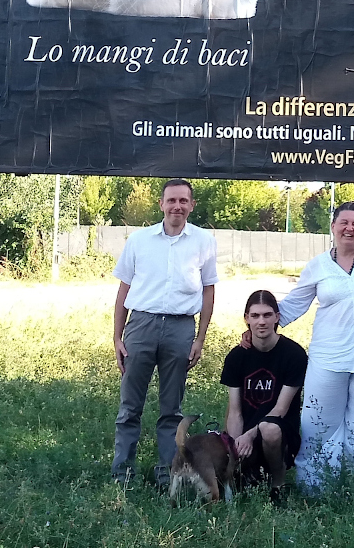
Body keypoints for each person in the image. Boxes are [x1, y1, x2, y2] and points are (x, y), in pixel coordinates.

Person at [111, 179, 218, 487]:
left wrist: (200, 339)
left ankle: (167, 474)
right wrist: (117, 337)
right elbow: (123, 290)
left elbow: (209, 291)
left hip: (180, 329)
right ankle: (122, 473)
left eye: (183, 201)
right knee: (130, 407)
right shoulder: (139, 240)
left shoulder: (203, 241)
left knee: (172, 410)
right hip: (141, 326)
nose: (177, 206)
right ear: (161, 204)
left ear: (192, 205)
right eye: (171, 200)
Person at [279, 201, 354, 490]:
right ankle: (314, 488)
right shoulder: (318, 266)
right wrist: (260, 323)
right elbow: (294, 304)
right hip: (328, 357)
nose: (349, 228)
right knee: (318, 425)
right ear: (333, 227)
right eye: (344, 222)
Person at [221, 290, 309, 503]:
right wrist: (235, 445)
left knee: (269, 429)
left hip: (280, 431)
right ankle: (240, 474)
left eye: (267, 315)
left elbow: (280, 410)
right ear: (246, 319)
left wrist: (250, 436)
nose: (261, 321)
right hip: (246, 431)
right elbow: (235, 412)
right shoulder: (236, 357)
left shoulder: (294, 355)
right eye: (255, 315)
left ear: (277, 317)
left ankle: (278, 485)